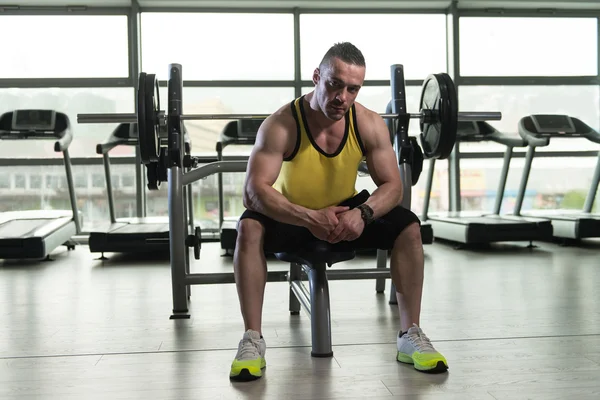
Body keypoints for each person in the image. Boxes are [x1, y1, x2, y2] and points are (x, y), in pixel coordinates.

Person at [229, 42, 448, 381]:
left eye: (352, 89)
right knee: (249, 228)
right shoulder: (282, 124)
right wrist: (308, 217)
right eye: (334, 84)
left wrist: (362, 214)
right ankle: (252, 339)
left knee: (409, 227)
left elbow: (392, 186)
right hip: (291, 212)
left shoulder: (368, 123)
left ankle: (410, 334)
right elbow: (253, 192)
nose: (342, 97)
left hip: (347, 208)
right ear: (317, 77)